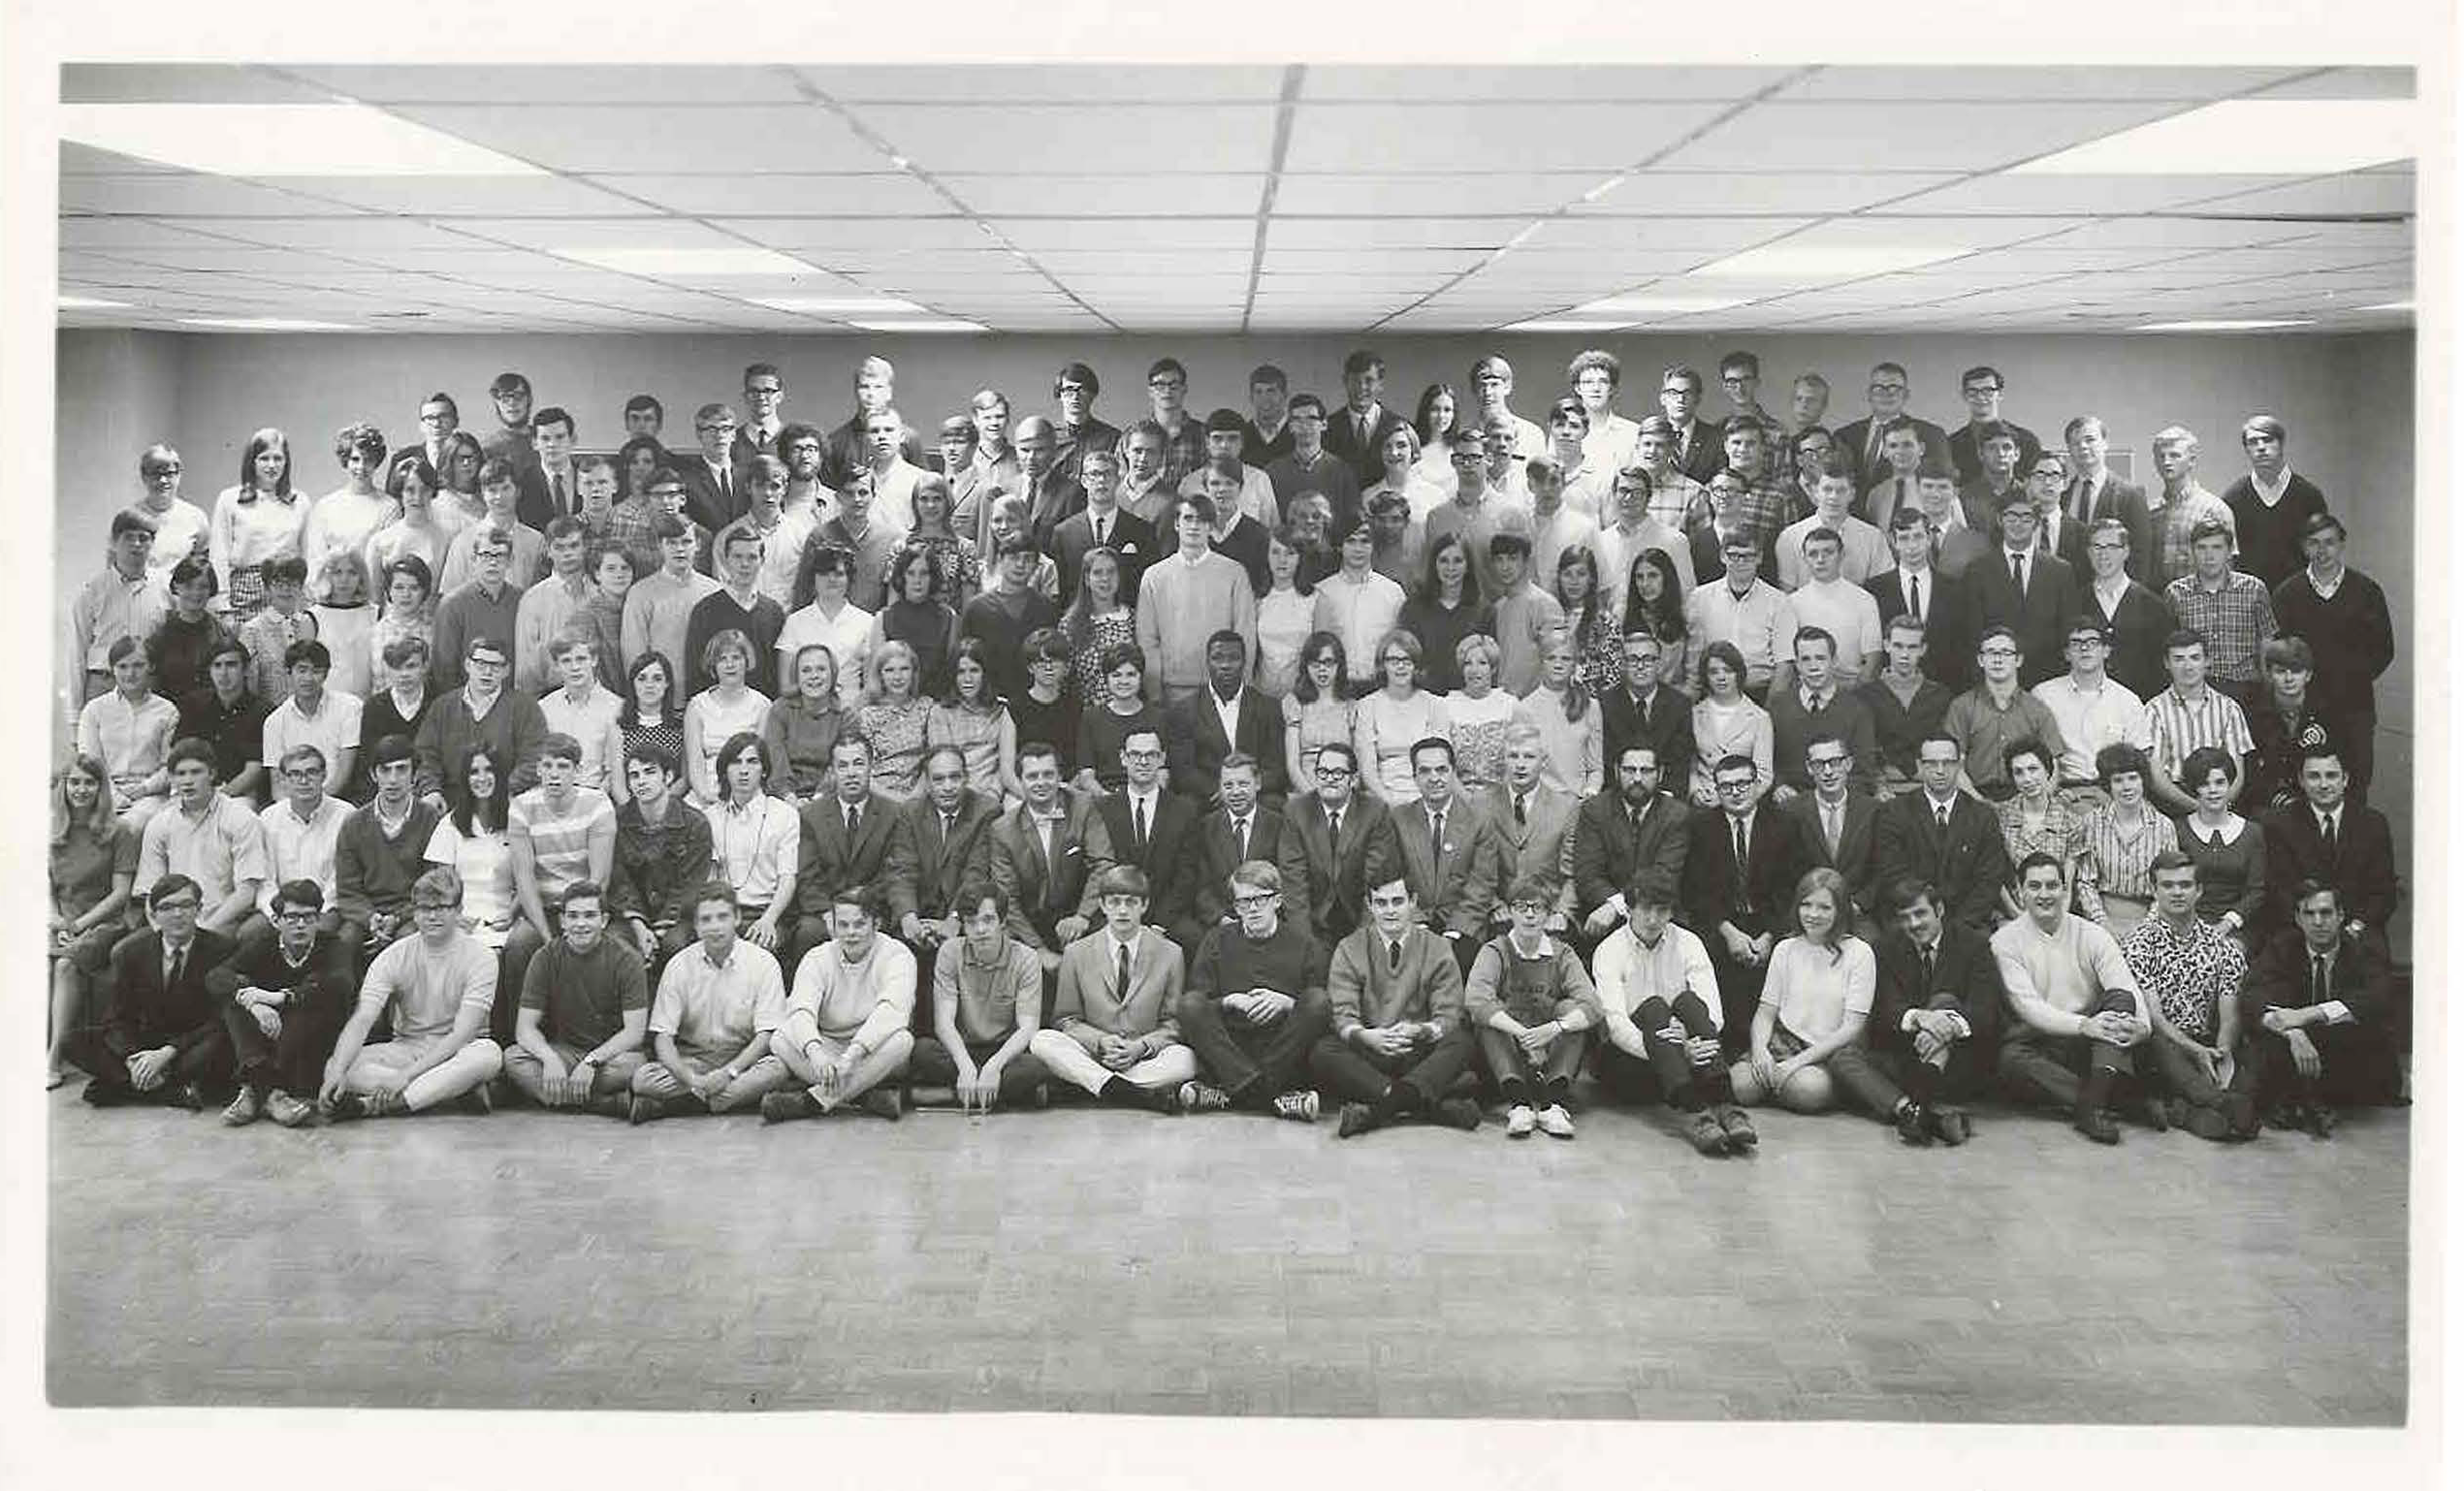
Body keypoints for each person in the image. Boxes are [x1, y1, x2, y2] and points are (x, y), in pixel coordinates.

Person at [1991, 851, 2154, 1145]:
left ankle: (2090, 1107)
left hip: (2092, 1044)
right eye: (2035, 886)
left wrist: (2143, 1026)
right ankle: (2112, 1101)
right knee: (2009, 1059)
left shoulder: (2092, 934)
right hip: (2041, 1042)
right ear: (2020, 891)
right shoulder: (2004, 941)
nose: (2044, 895)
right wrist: (2083, 1025)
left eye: (2052, 885)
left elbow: (2124, 986)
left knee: (2119, 999)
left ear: (2065, 890)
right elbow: (2028, 1007)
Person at [317, 866, 504, 1120]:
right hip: (407, 1048)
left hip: (460, 1049)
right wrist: (338, 1072)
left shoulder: (481, 957)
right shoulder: (394, 956)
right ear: (414, 912)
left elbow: (462, 1034)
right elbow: (363, 1019)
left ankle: (374, 1105)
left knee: (489, 1055)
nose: (432, 916)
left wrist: (404, 1077)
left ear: (459, 911)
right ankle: (453, 1089)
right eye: (424, 908)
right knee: (336, 1064)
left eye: (442, 907)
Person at [1589, 869, 1755, 1155]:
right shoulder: (1609, 949)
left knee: (1689, 1003)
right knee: (1653, 1007)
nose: (1653, 919)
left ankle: (1727, 1106)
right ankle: (1696, 1113)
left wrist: (1687, 1042)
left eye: (1661, 910)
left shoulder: (1689, 942)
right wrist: (1671, 1050)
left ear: (1671, 912)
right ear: (1628, 910)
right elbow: (1615, 1025)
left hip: (1687, 1051)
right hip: (1631, 1062)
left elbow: (1713, 1012)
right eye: (1644, 910)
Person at [1312, 874, 1483, 1138]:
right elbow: (1342, 1013)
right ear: (1369, 905)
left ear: (1413, 902)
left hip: (1417, 1050)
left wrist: (1422, 1031)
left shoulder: (1437, 947)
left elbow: (1449, 1013)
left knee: (1462, 1041)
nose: (1390, 910)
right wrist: (1366, 1036)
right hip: (1370, 1053)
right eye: (1381, 903)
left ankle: (1381, 1107)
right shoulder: (1349, 947)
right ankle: (1427, 1104)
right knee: (1323, 1051)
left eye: (1397, 901)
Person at [60, 873, 236, 1108]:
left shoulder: (222, 950)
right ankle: (168, 1090)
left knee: (223, 1040)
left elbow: (221, 1018)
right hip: (145, 1042)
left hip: (190, 1046)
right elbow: (117, 1016)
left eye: (186, 905)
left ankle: (124, 1087)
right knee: (71, 1041)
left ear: (199, 909)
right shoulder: (131, 952)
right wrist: (132, 1058)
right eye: (167, 907)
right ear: (153, 914)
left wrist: (168, 1052)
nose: (178, 914)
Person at [2118, 852, 2260, 1142]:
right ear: (2154, 891)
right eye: (2167, 885)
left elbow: (2230, 1015)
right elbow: (2154, 1017)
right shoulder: (2137, 945)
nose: (2177, 892)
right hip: (2161, 1047)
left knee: (2255, 1053)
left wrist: (2221, 1053)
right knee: (2156, 1043)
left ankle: (2185, 1111)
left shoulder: (2222, 947)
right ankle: (2220, 1103)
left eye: (2184, 885)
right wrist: (2194, 1050)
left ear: (2199, 890)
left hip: (2205, 1043)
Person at [1025, 866, 1192, 1112]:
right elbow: (1066, 1019)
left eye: (1131, 902)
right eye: (1114, 902)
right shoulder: (1076, 952)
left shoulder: (1170, 953)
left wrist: (1140, 1047)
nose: (1122, 910)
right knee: (1043, 1040)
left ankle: (1096, 1086)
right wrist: (1101, 1041)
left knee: (1186, 1059)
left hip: (1141, 1058)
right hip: (1094, 1053)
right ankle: (1130, 1092)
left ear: (1144, 906)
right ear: (1102, 906)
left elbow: (1172, 1023)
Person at [1729, 868, 1889, 1124]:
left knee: (1808, 1091)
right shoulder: (1785, 948)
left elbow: (1851, 1029)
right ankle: (1777, 1082)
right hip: (1783, 1042)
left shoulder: (1860, 953)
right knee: (1739, 1085)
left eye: (1825, 908)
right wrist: (1760, 1051)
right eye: (1806, 905)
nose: (1813, 914)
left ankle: (1785, 1085)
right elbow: (1765, 1012)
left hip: (1828, 1050)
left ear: (1840, 911)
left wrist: (1795, 1065)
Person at [1176, 860, 1332, 1122]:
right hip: (1231, 1049)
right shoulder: (1217, 939)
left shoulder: (1305, 943)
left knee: (1318, 1001)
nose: (1252, 908)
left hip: (1283, 1051)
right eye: (1243, 902)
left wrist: (1287, 1003)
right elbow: (1198, 1002)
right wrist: (1227, 1001)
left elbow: (1319, 1013)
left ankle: (1233, 1095)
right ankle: (1270, 1097)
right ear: (1235, 906)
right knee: (1189, 1004)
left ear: (1278, 901)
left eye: (1261, 899)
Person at [626, 883, 792, 1122]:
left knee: (776, 1069)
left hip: (742, 1060)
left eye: (722, 917)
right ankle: (721, 1100)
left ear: (736, 918)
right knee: (643, 1079)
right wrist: (690, 1078)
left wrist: (729, 1072)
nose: (715, 927)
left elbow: (766, 1036)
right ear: (696, 925)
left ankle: (677, 1106)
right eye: (706, 919)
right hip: (694, 1060)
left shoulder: (763, 963)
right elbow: (663, 1036)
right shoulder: (679, 965)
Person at [2247, 879, 2396, 1135]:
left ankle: (2298, 1101)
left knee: (2349, 1029)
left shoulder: (2363, 950)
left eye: (2326, 912)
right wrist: (2292, 1032)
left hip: (2350, 1053)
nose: (2318, 921)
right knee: (2267, 1040)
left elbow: (2377, 998)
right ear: (2297, 918)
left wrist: (2308, 1014)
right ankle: (2306, 1103)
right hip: (2296, 1045)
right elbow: (2252, 995)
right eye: (2309, 913)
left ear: (2340, 916)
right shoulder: (2282, 947)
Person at [759, 884, 914, 1123]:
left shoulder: (897, 955)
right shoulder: (817, 957)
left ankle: (810, 1103)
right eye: (843, 924)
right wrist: (815, 1052)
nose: (851, 932)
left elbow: (892, 1011)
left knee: (903, 1040)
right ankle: (863, 1095)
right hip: (827, 1050)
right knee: (779, 1039)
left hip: (870, 1053)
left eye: (860, 924)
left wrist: (852, 1056)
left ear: (877, 923)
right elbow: (801, 1009)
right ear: (832, 926)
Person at [205, 877, 352, 1128]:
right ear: (276, 921)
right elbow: (216, 976)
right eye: (292, 918)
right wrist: (254, 1004)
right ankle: (272, 1095)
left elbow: (342, 984)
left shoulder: (333, 945)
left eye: (309, 917)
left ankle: (255, 1090)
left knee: (315, 1003)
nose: (300, 925)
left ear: (319, 919)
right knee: (234, 1003)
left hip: (309, 1042)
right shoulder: (264, 943)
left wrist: (280, 997)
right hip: (267, 1034)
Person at [1865, 876, 2000, 1146]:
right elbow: (1883, 1012)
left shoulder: (1974, 945)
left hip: (1959, 1063)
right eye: (1905, 917)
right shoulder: (1884, 948)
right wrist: (1918, 1018)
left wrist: (1947, 1026)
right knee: (1844, 1058)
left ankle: (1918, 1106)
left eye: (1920, 913)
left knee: (1944, 1001)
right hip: (1905, 1058)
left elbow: (1986, 1013)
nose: (1913, 924)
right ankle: (1922, 1114)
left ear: (1939, 910)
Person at [499, 732, 619, 1037]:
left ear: (577, 771)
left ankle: (602, 1040)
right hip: (543, 907)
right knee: (518, 947)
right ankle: (516, 1040)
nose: (554, 774)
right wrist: (547, 934)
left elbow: (599, 879)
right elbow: (524, 878)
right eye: (547, 765)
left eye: (563, 766)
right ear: (538, 769)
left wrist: (576, 925)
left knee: (612, 949)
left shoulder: (598, 804)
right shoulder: (522, 808)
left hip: (587, 906)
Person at [2271, 509, 2394, 796]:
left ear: (2342, 544)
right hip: (2302, 708)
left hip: (2354, 707)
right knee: (2304, 785)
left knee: (2355, 782)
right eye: (2314, 543)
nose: (2322, 550)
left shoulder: (2367, 591)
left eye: (2329, 542)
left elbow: (2383, 649)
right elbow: (2278, 652)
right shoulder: (2287, 594)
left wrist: (2347, 679)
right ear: (2304, 547)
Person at [1465, 875, 1599, 1139]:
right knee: (1490, 1016)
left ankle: (1554, 1105)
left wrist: (1555, 1028)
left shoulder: (1562, 953)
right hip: (1508, 1057)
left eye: (1537, 908)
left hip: (1548, 1057)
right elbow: (1476, 999)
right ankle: (1519, 1105)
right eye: (1521, 907)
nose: (1529, 915)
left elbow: (1593, 1005)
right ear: (1510, 912)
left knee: (1571, 1009)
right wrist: (1522, 1034)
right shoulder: (1496, 950)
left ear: (1549, 915)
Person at [501, 879, 647, 1115]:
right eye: (573, 916)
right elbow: (525, 1029)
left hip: (611, 1057)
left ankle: (562, 1098)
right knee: (514, 1058)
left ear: (605, 920)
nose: (581, 924)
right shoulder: (545, 957)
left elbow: (634, 1032)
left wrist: (592, 1061)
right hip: (566, 1053)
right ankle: (605, 1105)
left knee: (637, 1068)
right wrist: (549, 1059)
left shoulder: (627, 959)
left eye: (590, 915)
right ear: (562, 921)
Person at [1688, 752, 1801, 1051]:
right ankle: (1725, 1048)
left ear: (1757, 784)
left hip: (1770, 921)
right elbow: (1697, 892)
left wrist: (1768, 936)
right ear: (1716, 789)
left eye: (1743, 784)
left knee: (1785, 953)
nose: (1735, 792)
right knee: (1709, 954)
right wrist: (1730, 933)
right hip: (1721, 921)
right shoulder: (1701, 827)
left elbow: (1789, 890)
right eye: (1726, 786)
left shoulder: (1784, 825)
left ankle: (1776, 1043)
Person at [909, 877, 1050, 1111]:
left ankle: (948, 1096)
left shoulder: (1026, 958)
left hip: (1004, 1052)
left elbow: (1028, 1027)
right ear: (963, 925)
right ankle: (1001, 1097)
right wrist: (965, 1067)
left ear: (1003, 922)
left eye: (988, 920)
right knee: (922, 1050)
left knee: (1036, 1066)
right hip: (962, 1049)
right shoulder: (950, 952)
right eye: (971, 922)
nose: (980, 930)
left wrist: (993, 1067)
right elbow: (943, 1023)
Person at [984, 741, 1116, 974]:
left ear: (1059, 777)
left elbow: (1104, 864)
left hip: (1078, 913)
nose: (1041, 782)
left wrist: (1082, 916)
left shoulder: (1083, 806)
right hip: (1031, 920)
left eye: (1048, 774)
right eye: (1032, 776)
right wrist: (1038, 950)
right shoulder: (1003, 829)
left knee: (1110, 933)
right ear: (1020, 781)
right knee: (1000, 941)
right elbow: (1007, 897)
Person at [49, 755, 141, 1087]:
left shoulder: (120, 832)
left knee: (65, 966)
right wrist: (57, 920)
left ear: (102, 788)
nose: (81, 789)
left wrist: (77, 926)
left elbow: (120, 895)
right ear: (63, 786)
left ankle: (54, 1056)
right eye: (74, 782)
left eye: (90, 782)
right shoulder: (50, 831)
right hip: (61, 920)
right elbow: (44, 888)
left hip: (106, 923)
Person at [2262, 745, 2400, 951]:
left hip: (2357, 929)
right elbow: (2280, 890)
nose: (2324, 784)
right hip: (2300, 930)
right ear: (2301, 780)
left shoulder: (2373, 824)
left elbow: (2383, 893)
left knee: (2374, 969)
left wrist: (2354, 928)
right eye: (2314, 776)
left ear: (2345, 779)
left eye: (2331, 775)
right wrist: (2313, 929)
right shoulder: (2280, 824)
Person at [1873, 731, 2010, 933]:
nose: (1940, 770)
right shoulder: (1894, 813)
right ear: (1920, 766)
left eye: (1948, 763)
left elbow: (1989, 881)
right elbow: (1892, 875)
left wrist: (1958, 926)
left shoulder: (1982, 816)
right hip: (1911, 919)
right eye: (1931, 763)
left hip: (1968, 922)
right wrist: (1926, 918)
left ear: (1959, 766)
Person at [135, 736, 269, 940]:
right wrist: (162, 933)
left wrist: (202, 932)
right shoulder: (159, 824)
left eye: (196, 772)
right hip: (172, 926)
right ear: (171, 779)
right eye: (180, 774)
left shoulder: (241, 818)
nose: (188, 781)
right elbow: (151, 892)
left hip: (224, 922)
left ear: (212, 774)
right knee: (123, 953)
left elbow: (246, 891)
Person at [1393, 736, 1506, 972]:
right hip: (1412, 924)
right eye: (1424, 771)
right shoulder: (1398, 819)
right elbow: (1393, 878)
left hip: (1461, 926)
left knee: (1459, 964)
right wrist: (1418, 924)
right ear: (1414, 777)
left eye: (1442, 770)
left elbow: (1481, 886)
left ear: (1453, 773)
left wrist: (1454, 932)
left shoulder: (1479, 820)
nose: (1434, 778)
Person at [884, 745, 1003, 964]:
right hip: (919, 912)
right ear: (927, 784)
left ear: (966, 778)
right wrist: (909, 917)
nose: (947, 787)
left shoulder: (987, 811)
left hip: (965, 910)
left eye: (954, 777)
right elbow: (902, 871)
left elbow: (976, 874)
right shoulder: (910, 813)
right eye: (938, 779)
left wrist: (955, 919)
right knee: (898, 947)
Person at [335, 734, 444, 967]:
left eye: (401, 769)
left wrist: (398, 918)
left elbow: (433, 884)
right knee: (344, 942)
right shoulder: (354, 823)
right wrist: (371, 919)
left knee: (408, 942)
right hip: (367, 914)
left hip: (412, 912)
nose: (393, 779)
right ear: (374, 775)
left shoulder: (430, 819)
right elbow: (347, 891)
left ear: (414, 775)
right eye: (385, 770)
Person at [1282, 738, 1400, 951]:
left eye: (1338, 773)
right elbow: (1294, 884)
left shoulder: (1374, 812)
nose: (1330, 779)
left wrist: (1361, 940)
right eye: (1323, 773)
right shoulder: (1296, 812)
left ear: (1354, 779)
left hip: (1359, 919)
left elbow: (1375, 881)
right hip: (1313, 922)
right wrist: (1305, 942)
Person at [606, 743, 712, 973]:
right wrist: (639, 927)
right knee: (616, 944)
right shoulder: (615, 821)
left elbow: (691, 886)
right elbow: (619, 881)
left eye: (650, 772)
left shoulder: (695, 823)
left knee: (675, 946)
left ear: (669, 776)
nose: (641, 781)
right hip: (631, 918)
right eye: (634, 775)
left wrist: (659, 931)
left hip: (679, 917)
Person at [413, 634, 546, 809]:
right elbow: (425, 755)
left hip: (505, 801)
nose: (487, 672)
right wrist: (431, 790)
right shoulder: (443, 707)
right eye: (481, 664)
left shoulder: (525, 707)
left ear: (506, 670)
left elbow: (534, 758)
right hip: (449, 802)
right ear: (468, 665)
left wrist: (501, 791)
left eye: (496, 666)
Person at [242, 744, 348, 952]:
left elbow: (340, 879)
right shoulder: (268, 818)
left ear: (324, 775)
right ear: (283, 780)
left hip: (326, 909)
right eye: (295, 774)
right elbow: (266, 879)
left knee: (323, 933)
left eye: (312, 772)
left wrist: (315, 913)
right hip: (281, 909)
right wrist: (280, 913)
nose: (304, 780)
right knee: (249, 933)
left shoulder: (346, 815)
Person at [1941, 626, 2066, 801]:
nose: (1998, 659)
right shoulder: (1962, 707)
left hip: (2026, 798)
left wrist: (2033, 804)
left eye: (2006, 652)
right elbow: (1954, 766)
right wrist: (1979, 803)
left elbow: (2053, 768)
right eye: (1991, 652)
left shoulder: (2037, 709)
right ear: (1980, 660)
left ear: (2018, 660)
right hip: (1973, 798)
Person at [2165, 520, 2277, 714]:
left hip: (2245, 689)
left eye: (2217, 547)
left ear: (2229, 550)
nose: (2209, 556)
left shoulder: (2254, 589)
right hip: (2195, 689)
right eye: (2202, 548)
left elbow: (2267, 642)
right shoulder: (2176, 593)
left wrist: (2268, 687)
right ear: (2192, 551)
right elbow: (2170, 645)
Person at [1480, 724, 1579, 937]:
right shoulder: (1482, 803)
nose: (1520, 765)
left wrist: (1562, 913)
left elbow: (1573, 873)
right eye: (1513, 756)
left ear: (1543, 762)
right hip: (1501, 915)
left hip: (1549, 915)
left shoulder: (1566, 806)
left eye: (1529, 756)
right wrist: (1494, 906)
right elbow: (1474, 869)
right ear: (1503, 760)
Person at [2032, 618, 2151, 794]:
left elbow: (2139, 759)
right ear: (2066, 654)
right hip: (2063, 792)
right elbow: (2034, 755)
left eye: (2092, 642)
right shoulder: (2044, 695)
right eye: (2076, 643)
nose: (2084, 648)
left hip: (2114, 793)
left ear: (2106, 651)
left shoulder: (2128, 700)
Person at [1869, 504, 1978, 694]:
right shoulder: (1875, 590)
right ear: (1893, 542)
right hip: (1891, 692)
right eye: (1904, 538)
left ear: (1929, 538)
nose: (1912, 546)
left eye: (1918, 537)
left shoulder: (1955, 589)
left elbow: (1964, 645)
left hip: (1946, 689)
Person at [2144, 629, 2256, 815]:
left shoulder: (2229, 708)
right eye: (2179, 659)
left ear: (2207, 661)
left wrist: (2218, 806)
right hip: (2174, 804)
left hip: (2221, 800)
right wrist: (2195, 807)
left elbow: (2238, 774)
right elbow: (2156, 776)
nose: (2188, 666)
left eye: (2195, 658)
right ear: (2167, 663)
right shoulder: (2154, 710)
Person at [2075, 745, 2180, 938]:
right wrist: (2102, 923)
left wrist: (2146, 927)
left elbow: (2169, 884)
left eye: (2133, 778)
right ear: (2108, 784)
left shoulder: (2164, 827)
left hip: (2151, 919)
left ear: (2143, 780)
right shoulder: (2092, 823)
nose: (2127, 787)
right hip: (2101, 917)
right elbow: (2085, 882)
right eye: (2118, 780)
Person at [423, 742, 518, 955]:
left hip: (504, 920)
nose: (482, 778)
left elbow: (527, 880)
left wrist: (512, 913)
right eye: (474, 772)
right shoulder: (450, 825)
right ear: (465, 779)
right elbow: (443, 885)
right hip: (464, 922)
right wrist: (454, 917)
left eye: (489, 770)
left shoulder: (516, 821)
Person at [1782, 732, 1882, 933]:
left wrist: (1859, 904)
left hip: (1857, 914)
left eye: (1835, 762)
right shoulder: (1791, 812)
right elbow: (1785, 872)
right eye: (1819, 764)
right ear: (1809, 768)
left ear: (1849, 764)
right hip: (1809, 915)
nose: (1828, 771)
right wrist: (1811, 908)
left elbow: (1882, 868)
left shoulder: (1873, 810)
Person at [1766, 627, 1879, 801]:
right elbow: (1767, 762)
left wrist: (1829, 796)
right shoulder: (1778, 707)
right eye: (1805, 659)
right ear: (1796, 664)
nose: (1813, 667)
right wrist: (1778, 786)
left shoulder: (1857, 710)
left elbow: (1865, 773)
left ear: (1834, 661)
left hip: (1840, 803)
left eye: (1820, 658)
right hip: (1789, 804)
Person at [78, 635, 179, 827]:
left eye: (138, 665)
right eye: (122, 666)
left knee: (130, 825)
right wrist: (113, 795)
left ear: (151, 667)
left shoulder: (167, 711)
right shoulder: (95, 710)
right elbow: (90, 762)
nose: (130, 673)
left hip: (149, 795)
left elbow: (171, 765)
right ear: (112, 669)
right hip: (102, 790)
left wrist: (144, 788)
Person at [2220, 414, 2330, 589]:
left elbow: (2322, 551)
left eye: (2268, 440)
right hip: (2250, 600)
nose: (2261, 447)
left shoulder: (2309, 496)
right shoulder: (2233, 498)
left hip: (2299, 596)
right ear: (2246, 449)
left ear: (2281, 444)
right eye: (2253, 442)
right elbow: (2227, 557)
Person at [209, 428, 307, 622]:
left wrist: (306, 598)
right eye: (264, 458)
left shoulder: (300, 501)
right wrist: (222, 603)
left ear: (286, 462)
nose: (271, 465)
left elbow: (308, 554)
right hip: (245, 593)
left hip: (286, 589)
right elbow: (219, 554)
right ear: (252, 461)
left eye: (278, 458)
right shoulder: (230, 499)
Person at [1685, 526, 1793, 698]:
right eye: (1734, 556)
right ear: (1722, 556)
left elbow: (1784, 666)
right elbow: (1693, 660)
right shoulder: (1699, 598)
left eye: (1748, 556)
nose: (1741, 562)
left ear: (1759, 558)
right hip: (1712, 694)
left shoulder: (1779, 601)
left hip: (1760, 693)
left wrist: (1767, 713)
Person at [1353, 630, 1450, 807]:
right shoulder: (1367, 706)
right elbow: (1368, 772)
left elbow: (1441, 763)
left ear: (1416, 665)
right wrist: (1392, 803)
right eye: (1393, 660)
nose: (1401, 666)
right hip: (1383, 799)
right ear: (1383, 665)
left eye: (1407, 660)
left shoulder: (1435, 704)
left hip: (1428, 796)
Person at [1860, 614, 1952, 795]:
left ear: (1923, 649)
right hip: (1882, 789)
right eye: (1898, 646)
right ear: (1886, 646)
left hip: (1931, 786)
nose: (1904, 654)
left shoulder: (1940, 696)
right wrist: (1878, 786)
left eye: (1912, 647)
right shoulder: (1865, 696)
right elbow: (1864, 751)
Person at [261, 639, 363, 801]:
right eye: (302, 670)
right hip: (293, 806)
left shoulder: (350, 707)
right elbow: (278, 785)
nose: (308, 678)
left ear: (326, 674)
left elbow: (344, 773)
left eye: (316, 671)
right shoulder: (274, 722)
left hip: (338, 800)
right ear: (289, 673)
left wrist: (318, 805)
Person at [2245, 637, 2338, 814]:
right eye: (2280, 671)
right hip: (2270, 802)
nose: (2289, 678)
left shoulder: (2326, 714)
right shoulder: (2254, 716)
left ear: (2308, 675)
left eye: (2296, 671)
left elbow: (2339, 765)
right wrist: (2275, 797)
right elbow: (2251, 771)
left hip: (2317, 800)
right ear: (2270, 674)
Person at [1396, 531, 1491, 696]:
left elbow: (1490, 664)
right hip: (1423, 699)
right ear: (1434, 564)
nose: (1450, 568)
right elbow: (1405, 657)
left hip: (1468, 701)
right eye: (1443, 560)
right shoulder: (1413, 608)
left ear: (1468, 565)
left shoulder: (1484, 610)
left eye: (1458, 561)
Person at [1514, 629, 1604, 798]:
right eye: (1551, 658)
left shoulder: (1591, 706)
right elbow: (1520, 768)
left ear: (1575, 664)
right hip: (1540, 804)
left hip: (1579, 801)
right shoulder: (1525, 708)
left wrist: (1590, 792)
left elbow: (1595, 768)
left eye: (1565, 658)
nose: (1558, 664)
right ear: (1541, 662)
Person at [2146, 425, 2235, 587]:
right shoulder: (2151, 511)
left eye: (2175, 455)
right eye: (2161, 456)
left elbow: (2228, 566)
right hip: (2158, 604)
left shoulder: (2213, 509)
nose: (2167, 462)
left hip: (2199, 603)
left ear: (2191, 461)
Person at [1687, 642, 1773, 807]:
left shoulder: (1759, 718)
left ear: (1738, 673)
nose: (1721, 677)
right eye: (1713, 672)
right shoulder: (1693, 715)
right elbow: (1691, 767)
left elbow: (1764, 774)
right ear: (1706, 677)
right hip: (1704, 802)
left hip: (1743, 803)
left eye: (1728, 670)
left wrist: (1729, 798)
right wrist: (1696, 793)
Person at [1073, 644, 1165, 798]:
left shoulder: (1158, 717)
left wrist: (1144, 798)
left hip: (1148, 797)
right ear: (1106, 678)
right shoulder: (1091, 717)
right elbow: (1086, 775)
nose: (1124, 681)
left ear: (1141, 677)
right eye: (1116, 675)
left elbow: (1163, 772)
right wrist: (1108, 799)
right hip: (1104, 798)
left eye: (1131, 674)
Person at [538, 634, 624, 797]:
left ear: (594, 660)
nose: (574, 667)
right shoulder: (544, 707)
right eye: (566, 661)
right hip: (552, 798)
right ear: (556, 665)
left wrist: (590, 803)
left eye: (581, 659)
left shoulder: (616, 708)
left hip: (596, 798)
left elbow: (613, 773)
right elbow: (538, 764)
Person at [146, 555, 230, 705]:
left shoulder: (221, 632)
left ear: (211, 589)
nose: (196, 593)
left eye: (203, 586)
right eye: (188, 586)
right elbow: (151, 683)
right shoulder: (161, 633)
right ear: (176, 587)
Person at [1945, 366, 2044, 487]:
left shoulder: (2026, 440)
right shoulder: (1951, 444)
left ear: (2000, 394)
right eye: (1973, 392)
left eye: (1988, 391)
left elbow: (2037, 484)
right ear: (1964, 396)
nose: (1980, 397)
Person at [131, 443, 212, 586]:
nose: (163, 480)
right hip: (139, 599)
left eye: (169, 474)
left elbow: (202, 569)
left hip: (180, 602)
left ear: (179, 475)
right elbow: (115, 569)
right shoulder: (130, 518)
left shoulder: (196, 517)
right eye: (156, 474)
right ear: (144, 476)